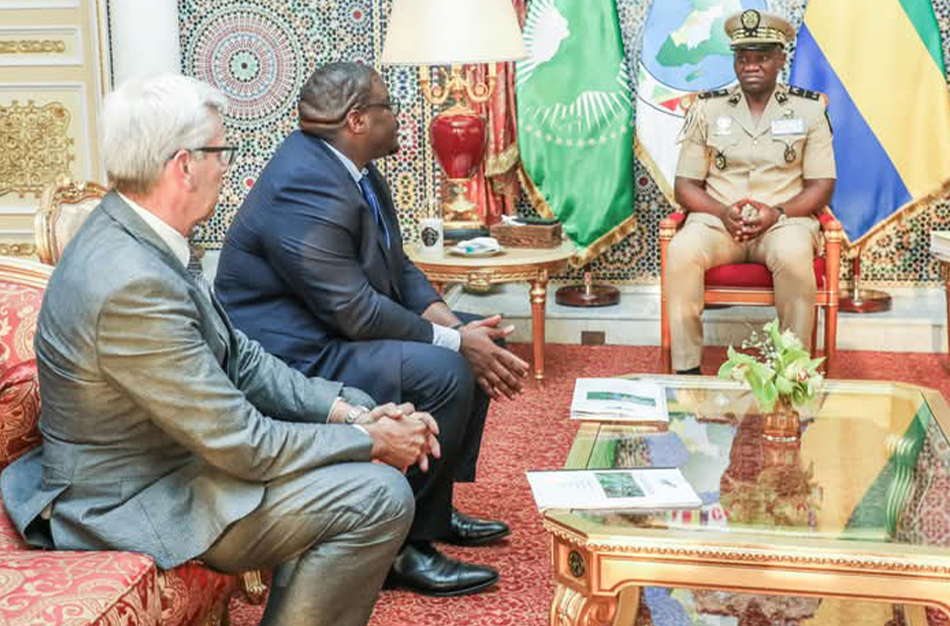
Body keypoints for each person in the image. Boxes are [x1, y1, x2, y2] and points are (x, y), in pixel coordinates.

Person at [0, 74, 442, 626]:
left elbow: (240, 357)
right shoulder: (128, 284)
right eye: (221, 151)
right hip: (130, 499)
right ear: (184, 165)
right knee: (377, 494)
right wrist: (368, 440)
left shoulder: (140, 230)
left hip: (177, 458)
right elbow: (245, 445)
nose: (228, 166)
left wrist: (351, 414)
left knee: (353, 397)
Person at [214, 62, 528, 597]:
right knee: (449, 368)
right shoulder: (304, 182)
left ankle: (434, 508)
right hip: (293, 355)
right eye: (388, 108)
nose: (399, 117)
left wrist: (456, 326)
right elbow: (354, 311)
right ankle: (403, 549)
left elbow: (396, 265)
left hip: (328, 332)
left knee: (477, 338)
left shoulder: (349, 164)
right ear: (357, 120)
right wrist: (456, 345)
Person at [667, 9, 836, 374]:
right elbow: (685, 186)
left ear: (780, 59)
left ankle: (793, 373)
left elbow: (822, 186)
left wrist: (776, 213)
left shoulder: (808, 110)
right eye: (743, 58)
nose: (751, 66)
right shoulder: (706, 109)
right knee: (680, 250)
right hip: (718, 222)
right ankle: (686, 374)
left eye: (761, 57)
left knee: (793, 255)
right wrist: (721, 212)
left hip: (782, 222)